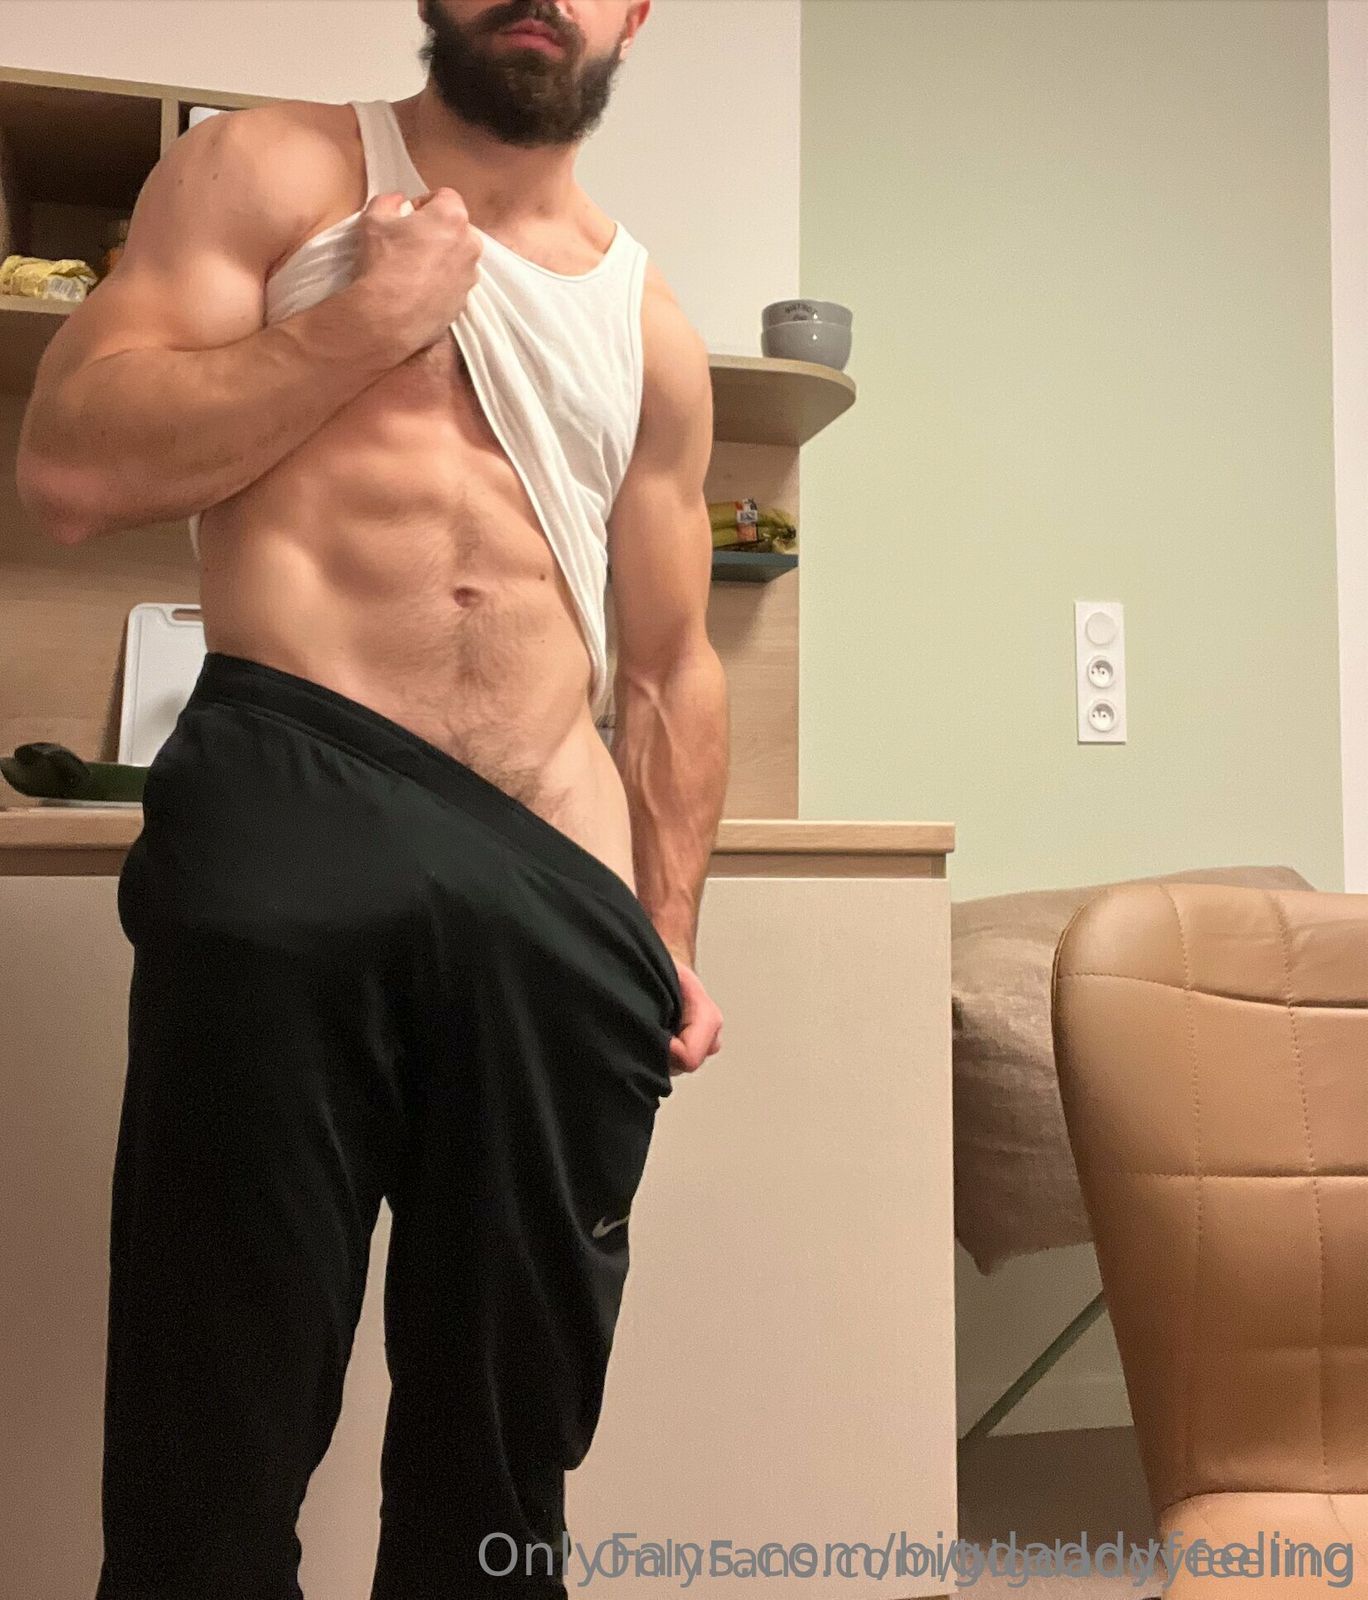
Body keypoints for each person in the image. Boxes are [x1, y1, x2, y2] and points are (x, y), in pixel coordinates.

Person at [17, 2, 729, 1595]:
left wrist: (668, 929)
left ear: (636, 12)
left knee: (509, 1437)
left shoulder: (651, 323)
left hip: (555, 878)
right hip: (298, 801)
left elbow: (672, 668)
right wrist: (359, 324)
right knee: (218, 1413)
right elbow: (69, 469)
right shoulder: (275, 174)